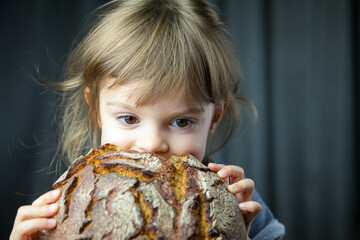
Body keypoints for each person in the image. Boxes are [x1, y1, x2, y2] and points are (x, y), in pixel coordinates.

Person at [10, 0, 285, 239]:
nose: (152, 144)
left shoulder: (238, 202)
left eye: (181, 122)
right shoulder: (69, 206)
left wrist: (238, 232)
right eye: (129, 118)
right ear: (95, 109)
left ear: (215, 116)